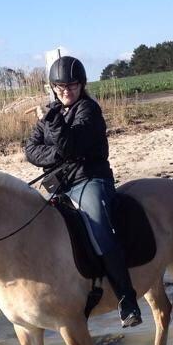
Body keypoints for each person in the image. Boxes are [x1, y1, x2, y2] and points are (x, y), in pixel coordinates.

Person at [25, 55, 142, 328]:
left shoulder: (88, 110)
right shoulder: (53, 113)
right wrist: (55, 150)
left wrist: (54, 128)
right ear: (53, 87)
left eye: (72, 85)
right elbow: (30, 150)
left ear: (82, 84)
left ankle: (127, 299)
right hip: (63, 184)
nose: (66, 90)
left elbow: (68, 145)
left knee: (99, 228)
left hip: (91, 180)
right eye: (60, 86)